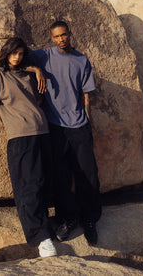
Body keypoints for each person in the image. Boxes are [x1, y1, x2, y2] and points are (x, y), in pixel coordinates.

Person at [0, 37, 57, 258]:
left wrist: (37, 70)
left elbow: (37, 101)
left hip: (42, 133)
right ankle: (41, 239)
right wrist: (7, 119)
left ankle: (46, 231)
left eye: (21, 53)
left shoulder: (28, 75)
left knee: (42, 185)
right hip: (20, 138)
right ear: (6, 53)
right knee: (28, 188)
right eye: (14, 53)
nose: (17, 57)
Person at [28, 20, 101, 245]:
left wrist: (89, 122)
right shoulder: (44, 56)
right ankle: (67, 219)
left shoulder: (82, 59)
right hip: (55, 126)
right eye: (57, 36)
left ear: (70, 34)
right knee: (60, 177)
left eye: (64, 35)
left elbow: (86, 95)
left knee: (87, 175)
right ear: (52, 38)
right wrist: (37, 70)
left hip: (79, 126)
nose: (61, 39)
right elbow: (16, 63)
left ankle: (89, 220)